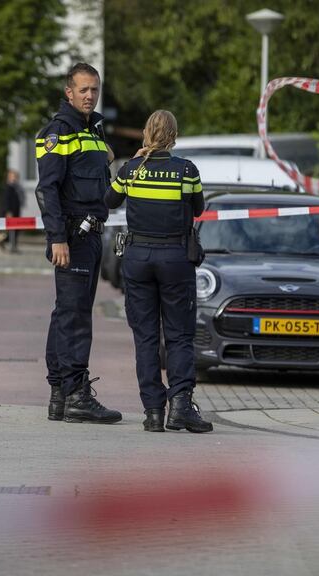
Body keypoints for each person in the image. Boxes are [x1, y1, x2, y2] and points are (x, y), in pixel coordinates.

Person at [104, 110, 212, 433]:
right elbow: (198, 209)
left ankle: (153, 411)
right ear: (174, 136)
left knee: (146, 336)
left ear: (146, 133)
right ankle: (180, 406)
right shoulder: (186, 170)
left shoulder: (131, 170)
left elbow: (109, 200)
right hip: (175, 259)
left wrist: (135, 161)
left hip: (137, 258)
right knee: (178, 334)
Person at [34, 62, 121, 424]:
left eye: (94, 90)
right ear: (68, 92)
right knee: (75, 317)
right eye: (83, 90)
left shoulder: (94, 130)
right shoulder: (57, 133)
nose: (89, 96)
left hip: (90, 232)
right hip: (72, 234)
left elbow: (99, 170)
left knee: (66, 314)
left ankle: (59, 393)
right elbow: (47, 189)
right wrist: (57, 238)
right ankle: (76, 394)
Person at [3, 169, 25, 253]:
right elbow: (7, 200)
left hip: (16, 211)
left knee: (16, 230)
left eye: (16, 176)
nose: (14, 178)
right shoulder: (8, 187)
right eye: (13, 176)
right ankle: (10, 246)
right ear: (9, 177)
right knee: (11, 231)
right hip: (11, 212)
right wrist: (8, 211)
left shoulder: (16, 187)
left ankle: (12, 245)